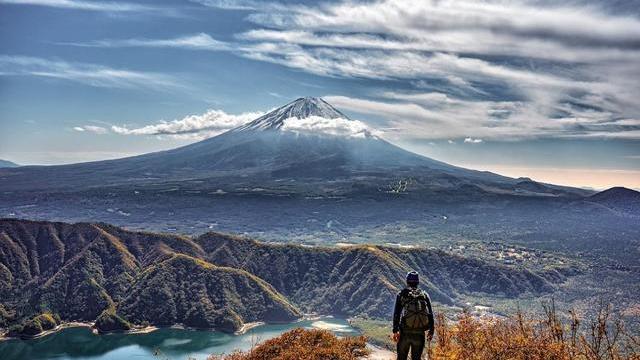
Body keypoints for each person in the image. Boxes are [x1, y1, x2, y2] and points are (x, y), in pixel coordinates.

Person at [392, 271, 434, 360]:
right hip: (419, 334)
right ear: (418, 282)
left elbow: (397, 314)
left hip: (404, 334)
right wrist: (431, 331)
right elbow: (430, 314)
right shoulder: (424, 295)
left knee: (401, 358)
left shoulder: (402, 294)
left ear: (407, 281)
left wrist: (395, 330)